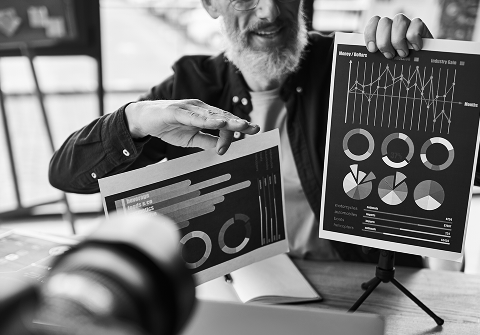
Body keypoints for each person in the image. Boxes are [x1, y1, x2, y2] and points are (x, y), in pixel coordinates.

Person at [49, 2, 464, 265]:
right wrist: (136, 119)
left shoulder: (361, 69)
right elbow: (66, 174)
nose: (268, 12)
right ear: (211, 4)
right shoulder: (191, 85)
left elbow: (454, 172)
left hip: (357, 281)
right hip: (241, 288)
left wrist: (429, 84)